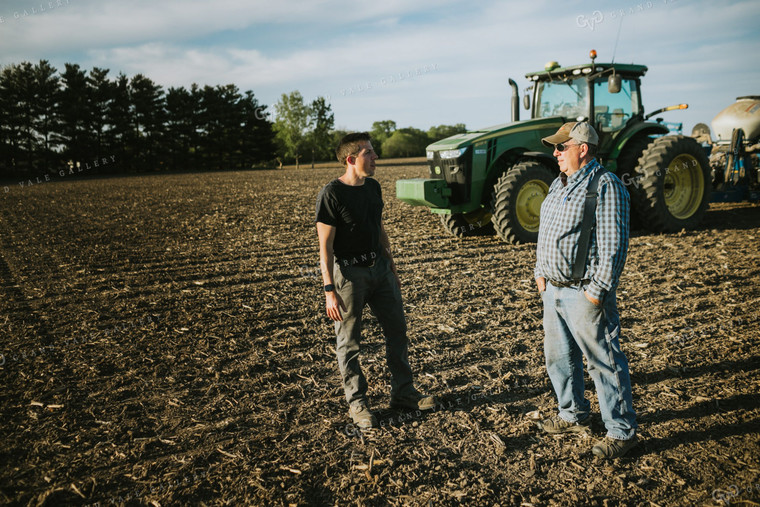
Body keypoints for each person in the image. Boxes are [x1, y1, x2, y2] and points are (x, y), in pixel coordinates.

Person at [315, 132, 435, 429]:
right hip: (349, 275)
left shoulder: (373, 187)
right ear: (351, 159)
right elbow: (325, 247)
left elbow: (379, 228)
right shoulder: (332, 194)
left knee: (397, 332)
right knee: (349, 343)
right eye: (369, 152)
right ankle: (358, 403)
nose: (376, 157)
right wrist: (329, 289)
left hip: (380, 269)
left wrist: (391, 266)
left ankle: (404, 393)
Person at [534, 121, 638, 458]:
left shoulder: (606, 186)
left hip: (584, 293)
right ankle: (573, 414)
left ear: (583, 148)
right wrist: (540, 273)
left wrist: (597, 290)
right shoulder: (557, 184)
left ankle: (622, 433)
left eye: (562, 147)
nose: (555, 153)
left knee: (603, 362)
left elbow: (613, 246)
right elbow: (546, 233)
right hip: (553, 291)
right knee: (559, 359)